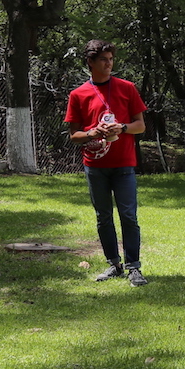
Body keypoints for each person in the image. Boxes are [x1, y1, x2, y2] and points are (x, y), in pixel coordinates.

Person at [65, 39, 148, 287]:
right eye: (103, 59)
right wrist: (93, 132)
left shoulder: (127, 88)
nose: (109, 63)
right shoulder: (78, 94)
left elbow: (140, 125)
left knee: (128, 216)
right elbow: (74, 135)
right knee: (103, 217)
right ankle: (114, 264)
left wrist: (121, 127)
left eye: (111, 59)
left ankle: (134, 267)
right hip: (95, 166)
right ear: (90, 63)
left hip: (124, 164)